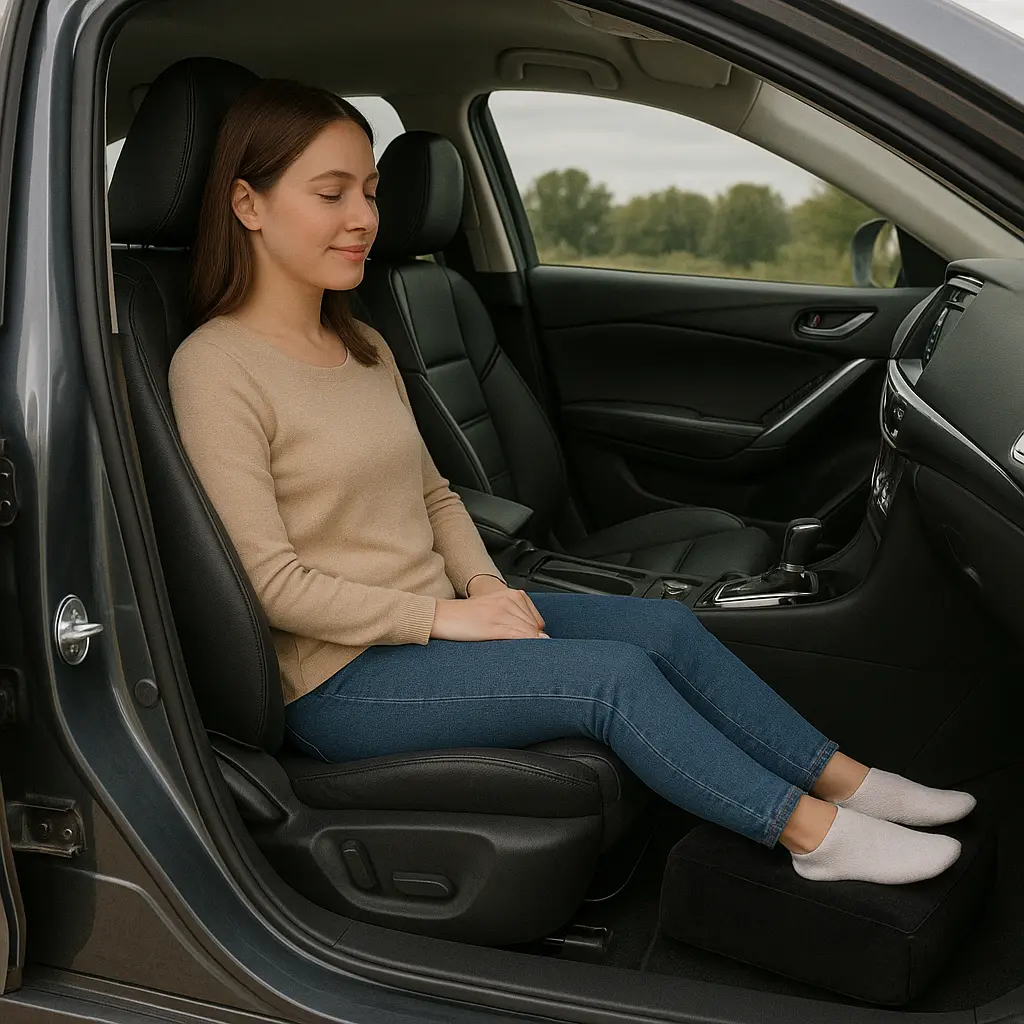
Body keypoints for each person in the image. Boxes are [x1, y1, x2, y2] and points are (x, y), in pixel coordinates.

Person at [167, 78, 975, 887]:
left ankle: (848, 782)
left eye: (371, 192)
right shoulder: (217, 368)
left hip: (433, 617)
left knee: (663, 630)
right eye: (331, 193)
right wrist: (446, 617)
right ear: (248, 204)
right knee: (611, 680)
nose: (364, 218)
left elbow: (435, 496)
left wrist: (486, 588)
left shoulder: (364, 346)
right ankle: (814, 839)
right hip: (340, 680)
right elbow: (268, 586)